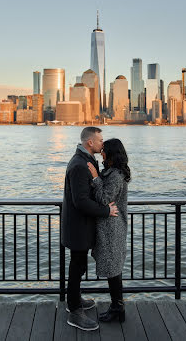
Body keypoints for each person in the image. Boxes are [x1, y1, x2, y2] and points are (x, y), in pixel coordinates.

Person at [61, 127, 118, 331]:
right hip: (78, 228)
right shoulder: (79, 165)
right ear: (90, 143)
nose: (103, 144)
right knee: (77, 267)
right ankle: (74, 311)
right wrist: (105, 211)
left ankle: (74, 300)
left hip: (82, 226)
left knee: (79, 266)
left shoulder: (85, 161)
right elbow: (81, 201)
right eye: (100, 140)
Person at [87, 138, 130, 323]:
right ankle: (117, 307)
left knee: (113, 270)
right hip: (110, 227)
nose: (101, 153)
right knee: (114, 270)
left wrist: (96, 178)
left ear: (112, 154)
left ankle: (117, 309)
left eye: (104, 150)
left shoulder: (116, 176)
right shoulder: (112, 173)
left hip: (112, 228)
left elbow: (105, 199)